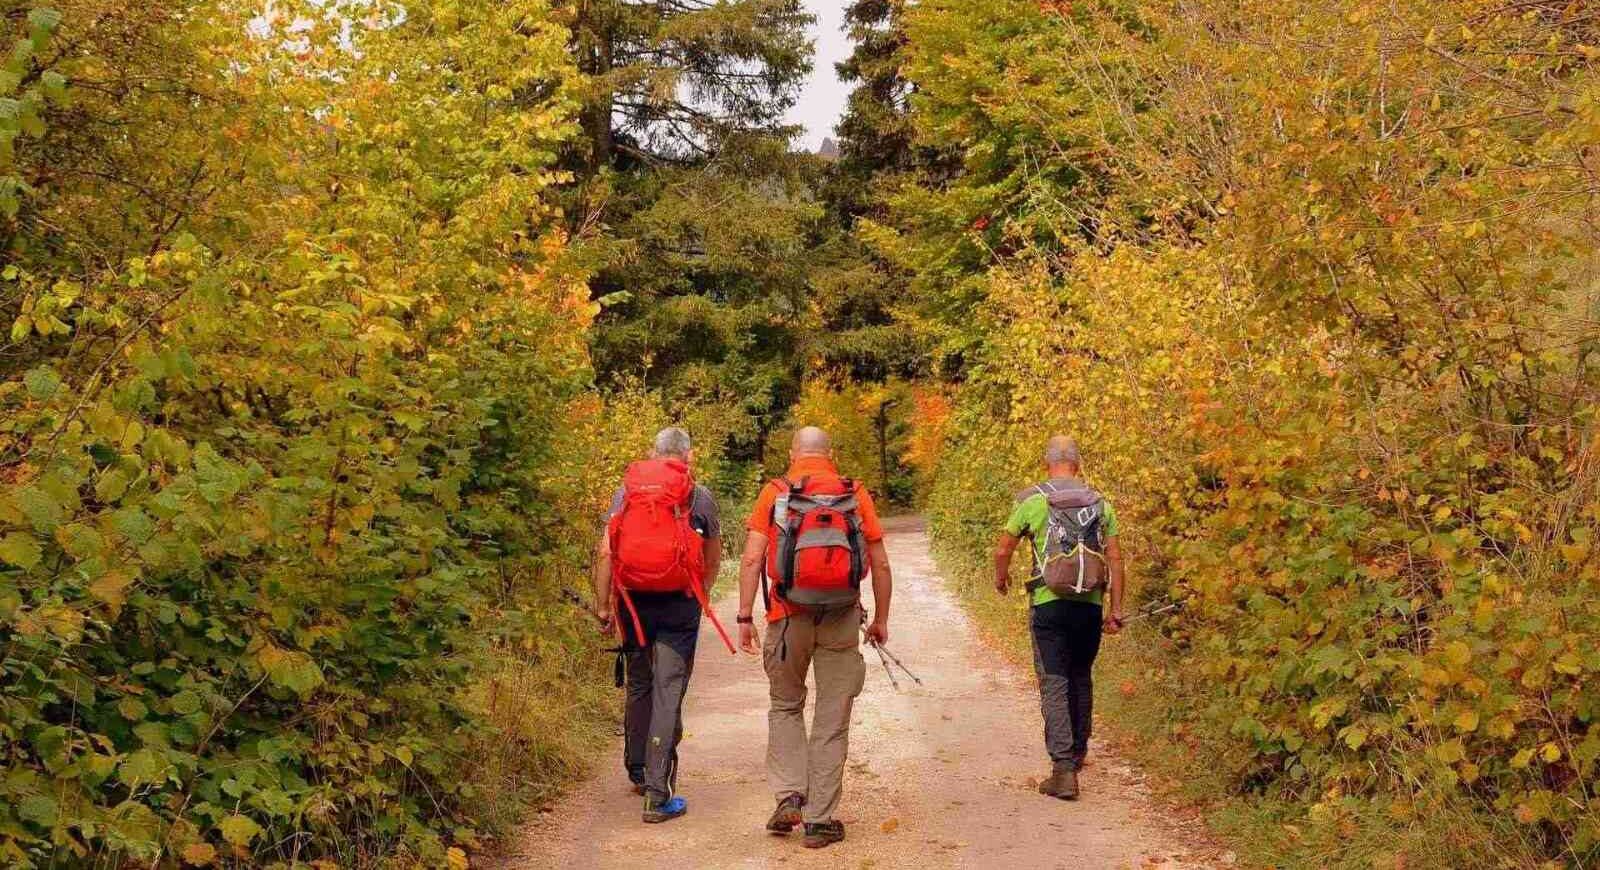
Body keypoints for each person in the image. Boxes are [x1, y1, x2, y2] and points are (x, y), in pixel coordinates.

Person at [735, 426, 893, 849]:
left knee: (786, 704)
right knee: (831, 717)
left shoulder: (776, 491)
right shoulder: (854, 493)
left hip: (787, 616)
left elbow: (752, 559)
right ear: (831, 453)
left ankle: (789, 794)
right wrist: (881, 619)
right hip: (841, 617)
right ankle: (820, 820)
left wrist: (744, 616)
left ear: (793, 453)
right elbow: (880, 564)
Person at [592, 427, 723, 823]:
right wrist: (699, 592)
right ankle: (657, 791)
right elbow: (713, 558)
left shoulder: (626, 493)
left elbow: (605, 553)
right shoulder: (699, 497)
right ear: (689, 457)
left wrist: (603, 606)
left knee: (640, 682)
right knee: (669, 690)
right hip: (680, 606)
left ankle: (636, 769)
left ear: (653, 453)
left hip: (634, 603)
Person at [992, 435, 1125, 800]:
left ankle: (1063, 771)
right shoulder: (1101, 503)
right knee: (1081, 675)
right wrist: (1116, 609)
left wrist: (1000, 579)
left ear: (1047, 463)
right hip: (1090, 603)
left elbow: (1004, 548)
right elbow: (1114, 558)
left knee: (1054, 680)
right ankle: (1078, 752)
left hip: (1048, 603)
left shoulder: (1033, 501)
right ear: (1078, 464)